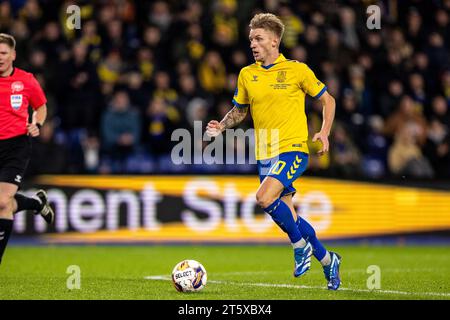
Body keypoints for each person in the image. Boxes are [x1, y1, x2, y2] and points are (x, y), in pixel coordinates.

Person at [206, 14, 341, 290]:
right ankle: (329, 261)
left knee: (263, 197)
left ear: (274, 41)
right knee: (290, 217)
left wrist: (324, 132)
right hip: (264, 155)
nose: (253, 44)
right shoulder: (247, 74)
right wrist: (221, 125)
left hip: (292, 149)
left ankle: (299, 246)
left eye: (258, 39)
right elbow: (240, 110)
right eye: (250, 40)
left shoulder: (297, 70)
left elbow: (328, 100)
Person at [0, 33, 54, 265]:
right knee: (3, 204)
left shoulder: (26, 81)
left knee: (2, 202)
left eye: (3, 53)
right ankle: (36, 204)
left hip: (16, 145)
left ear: (13, 55)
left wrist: (37, 123)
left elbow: (41, 107)